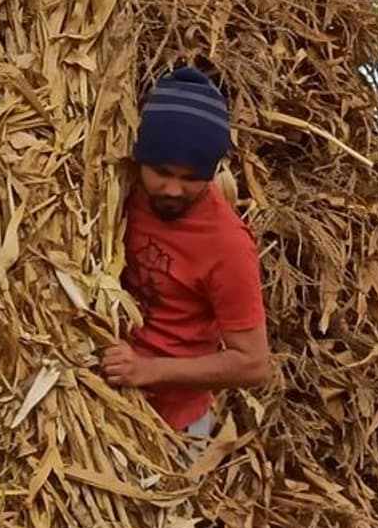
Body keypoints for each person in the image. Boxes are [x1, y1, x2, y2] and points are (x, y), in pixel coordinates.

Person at [101, 66, 270, 444]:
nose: (173, 190)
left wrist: (146, 370)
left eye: (191, 178)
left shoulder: (227, 245)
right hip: (97, 407)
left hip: (172, 431)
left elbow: (253, 363)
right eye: (162, 172)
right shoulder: (117, 193)